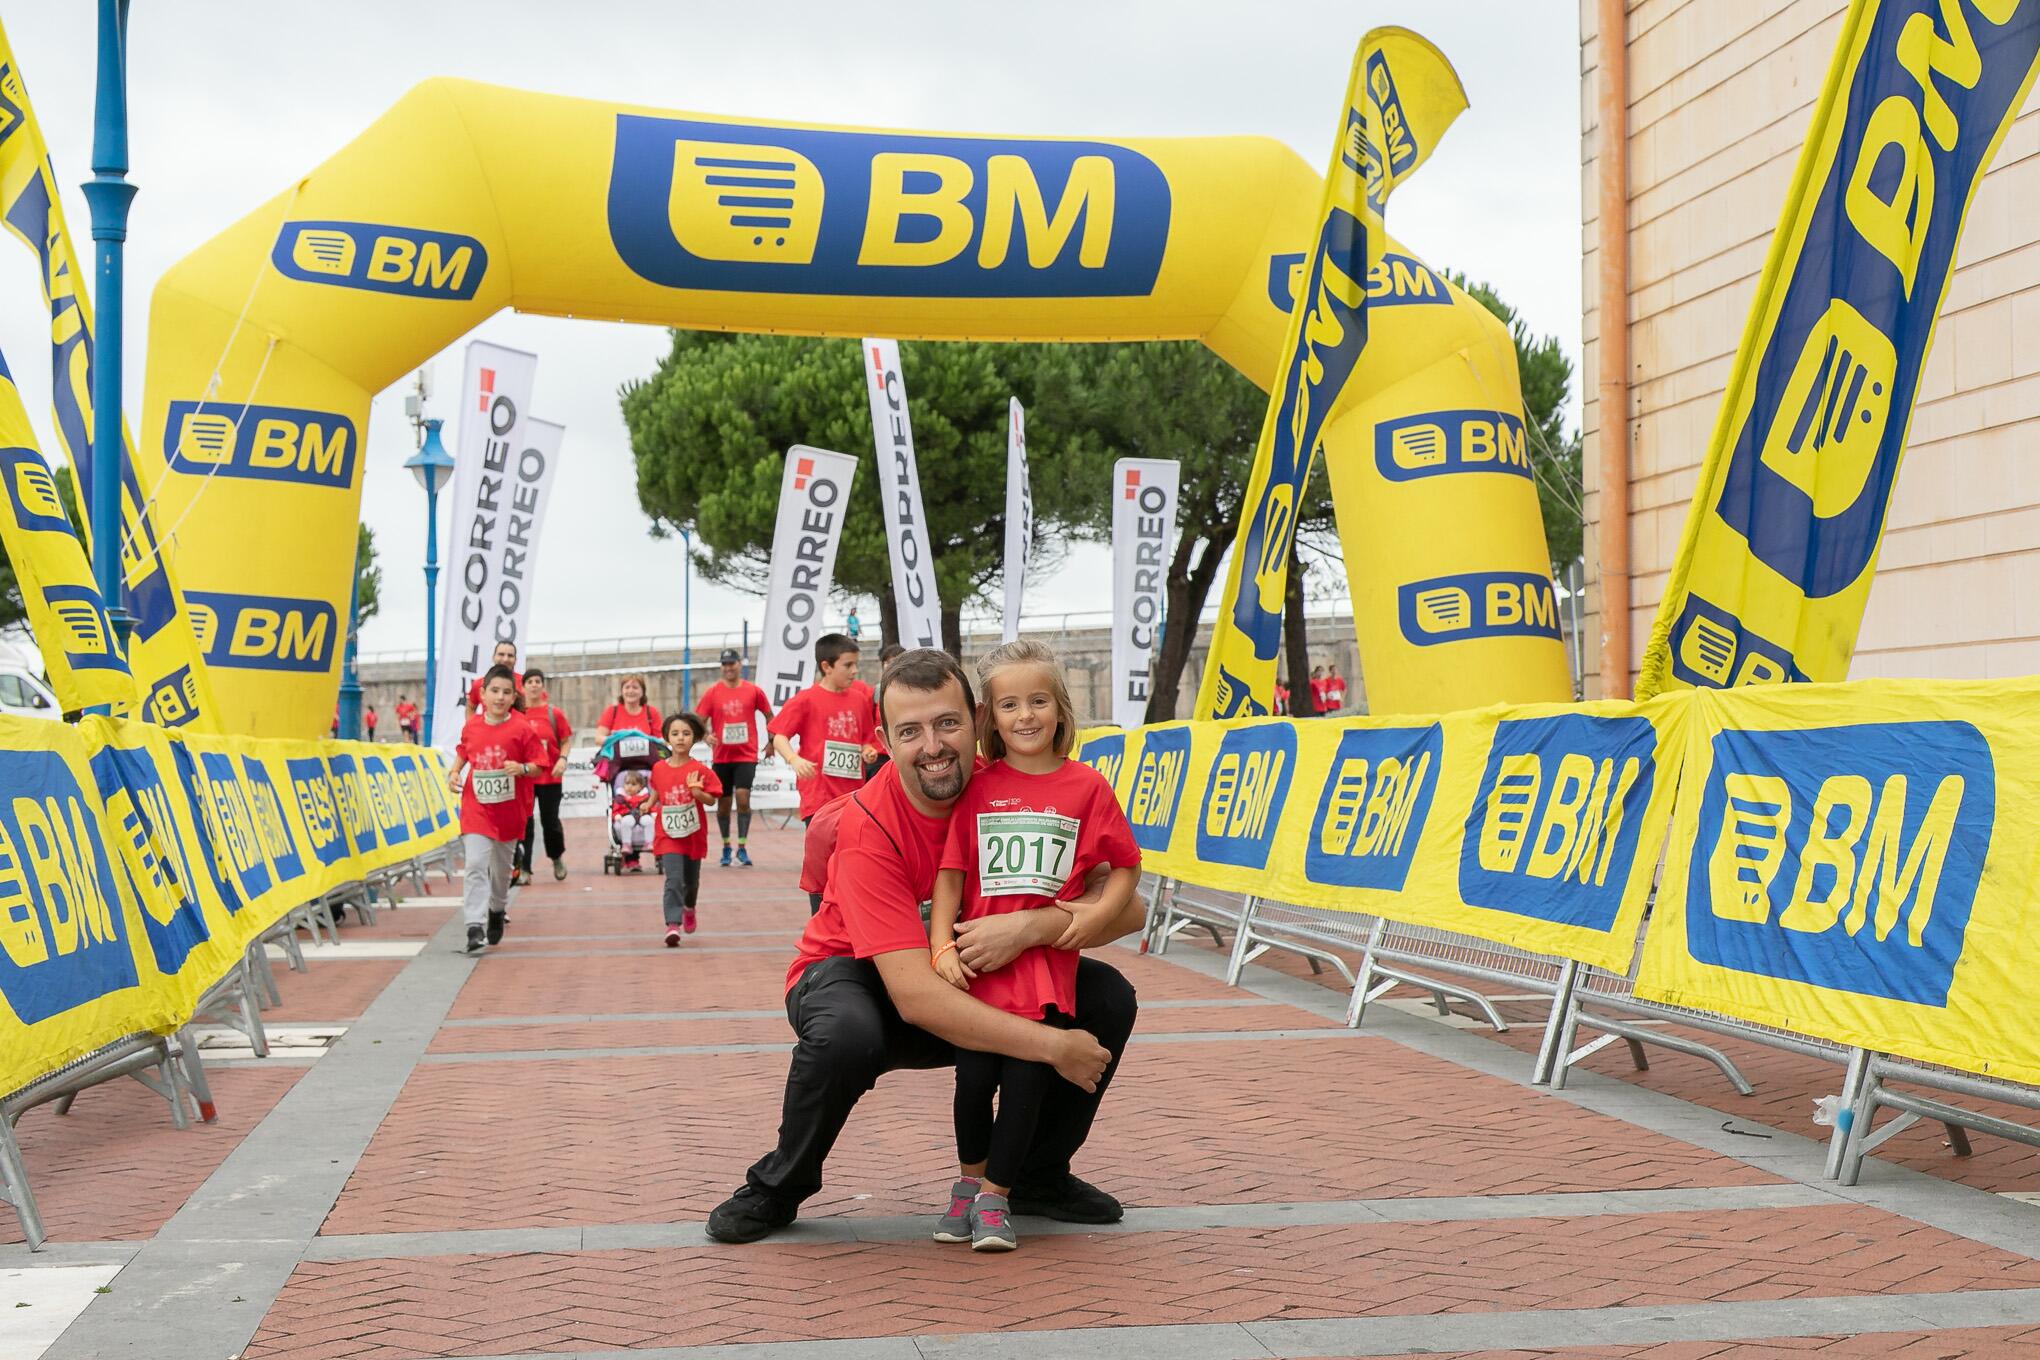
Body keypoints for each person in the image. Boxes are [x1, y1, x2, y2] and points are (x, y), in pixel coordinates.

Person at [704, 648, 1144, 1246]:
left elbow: (1128, 909)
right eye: (910, 731)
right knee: (846, 1036)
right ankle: (780, 1184)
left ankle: (1036, 1175)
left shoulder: (1017, 787)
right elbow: (913, 996)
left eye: (947, 723)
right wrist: (1053, 1047)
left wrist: (1032, 928)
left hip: (979, 971)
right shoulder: (866, 826)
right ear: (884, 739)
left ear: (978, 718)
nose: (932, 746)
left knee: (1108, 996)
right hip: (859, 978)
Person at [928, 640, 1140, 1250]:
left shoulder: (1086, 787)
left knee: (1026, 1086)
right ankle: (966, 1188)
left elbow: (1126, 863)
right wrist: (942, 944)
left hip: (1046, 974)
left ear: (1060, 708)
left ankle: (997, 1201)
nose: (1026, 716)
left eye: (1039, 701)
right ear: (988, 719)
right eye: (1010, 704)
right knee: (972, 1086)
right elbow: (952, 873)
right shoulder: (979, 785)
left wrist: (1097, 913)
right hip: (978, 969)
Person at [446, 664, 540, 955]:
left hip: (509, 812)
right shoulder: (472, 725)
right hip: (477, 808)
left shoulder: (523, 728)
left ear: (514, 698)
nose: (500, 697)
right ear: (483, 695)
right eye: (494, 691)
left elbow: (539, 765)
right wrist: (454, 772)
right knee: (475, 863)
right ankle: (474, 925)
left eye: (506, 692)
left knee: (501, 871)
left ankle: (497, 908)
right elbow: (464, 750)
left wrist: (522, 768)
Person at [766, 632, 876, 846]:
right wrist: (794, 759)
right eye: (848, 665)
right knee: (824, 857)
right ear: (827, 667)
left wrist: (868, 750)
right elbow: (779, 737)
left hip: (853, 795)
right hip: (818, 795)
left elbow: (866, 739)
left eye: (856, 664)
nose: (855, 671)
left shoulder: (860, 700)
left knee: (850, 856)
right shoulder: (806, 700)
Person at [649, 712, 722, 946]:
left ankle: (689, 906)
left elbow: (712, 799)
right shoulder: (659, 768)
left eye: (686, 734)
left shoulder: (699, 770)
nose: (681, 738)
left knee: (690, 881)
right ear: (667, 737)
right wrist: (647, 803)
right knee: (673, 878)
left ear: (695, 738)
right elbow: (656, 790)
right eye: (675, 733)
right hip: (668, 833)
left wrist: (698, 792)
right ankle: (672, 924)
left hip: (692, 834)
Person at [701, 649, 773, 868]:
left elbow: (769, 714)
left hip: (746, 755)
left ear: (739, 665)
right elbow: (698, 719)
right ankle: (726, 846)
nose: (728, 667)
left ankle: (741, 846)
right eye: (725, 664)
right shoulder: (712, 692)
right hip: (722, 757)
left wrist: (771, 740)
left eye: (732, 663)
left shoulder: (753, 691)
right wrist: (705, 735)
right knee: (723, 805)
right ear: (721, 667)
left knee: (742, 798)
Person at [517, 669, 572, 883]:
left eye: (537, 681)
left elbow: (566, 740)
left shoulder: (553, 713)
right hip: (526, 777)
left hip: (550, 777)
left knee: (550, 822)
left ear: (543, 686)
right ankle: (525, 869)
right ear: (522, 687)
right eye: (529, 681)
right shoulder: (518, 714)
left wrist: (563, 760)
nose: (533, 685)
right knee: (525, 823)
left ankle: (556, 858)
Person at [864, 644, 907, 779]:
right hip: (879, 756)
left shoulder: (913, 691)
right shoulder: (876, 691)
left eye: (896, 661)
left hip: (904, 752)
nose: (891, 665)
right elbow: (867, 723)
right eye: (888, 662)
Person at [594, 674, 661, 745]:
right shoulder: (611, 711)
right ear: (622, 691)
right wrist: (617, 739)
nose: (630, 691)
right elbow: (598, 739)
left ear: (642, 692)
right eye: (627, 687)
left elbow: (661, 740)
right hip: (616, 755)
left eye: (635, 688)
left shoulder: (652, 712)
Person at [612, 770, 653, 872]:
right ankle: (626, 844)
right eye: (627, 784)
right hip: (627, 815)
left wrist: (654, 813)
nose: (629, 787)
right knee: (626, 822)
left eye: (633, 784)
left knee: (649, 821)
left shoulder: (645, 796)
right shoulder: (621, 798)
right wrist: (616, 815)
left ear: (640, 786)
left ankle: (649, 842)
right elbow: (615, 809)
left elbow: (651, 806)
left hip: (642, 814)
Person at [468, 641, 522, 718]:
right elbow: (470, 707)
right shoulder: (479, 683)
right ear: (493, 657)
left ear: (515, 660)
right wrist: (472, 727)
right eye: (501, 654)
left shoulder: (525, 683)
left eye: (510, 655)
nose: (505, 659)